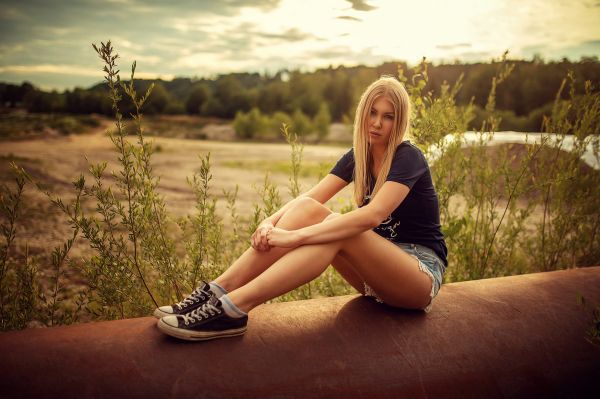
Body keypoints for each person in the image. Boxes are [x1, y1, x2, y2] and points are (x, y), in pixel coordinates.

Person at [155, 76, 448, 341]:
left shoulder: (408, 156)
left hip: (417, 274)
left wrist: (296, 237)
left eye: (387, 116)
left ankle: (233, 308)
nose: (376, 123)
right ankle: (219, 290)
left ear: (399, 122)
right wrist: (268, 223)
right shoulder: (359, 155)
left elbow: (372, 216)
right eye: (372, 113)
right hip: (375, 277)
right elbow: (309, 198)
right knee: (311, 209)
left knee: (340, 228)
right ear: (362, 114)